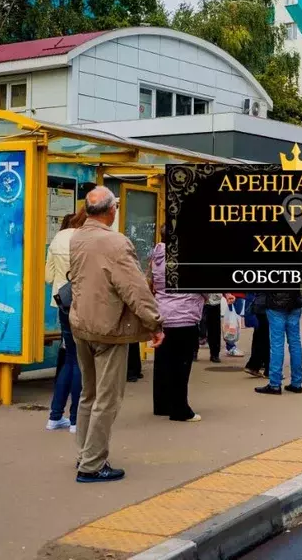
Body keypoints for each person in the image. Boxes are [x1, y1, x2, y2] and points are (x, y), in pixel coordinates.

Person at [69, 187, 163, 483]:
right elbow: (134, 289)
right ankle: (93, 465)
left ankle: (84, 453)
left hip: (80, 323)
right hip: (108, 328)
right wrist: (154, 323)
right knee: (107, 399)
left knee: (88, 394)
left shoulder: (78, 237)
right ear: (111, 211)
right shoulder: (115, 243)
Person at [149, 228, 207, 422]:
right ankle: (180, 409)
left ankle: (162, 404)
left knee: (164, 362)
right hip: (184, 316)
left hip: (163, 315)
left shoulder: (156, 256)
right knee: (182, 365)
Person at [44, 208, 87, 432]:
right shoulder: (84, 238)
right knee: (80, 361)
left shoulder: (58, 238)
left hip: (62, 303)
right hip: (83, 304)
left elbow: (48, 277)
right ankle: (75, 419)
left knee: (69, 358)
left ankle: (54, 416)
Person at [256, 291, 302, 395]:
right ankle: (297, 383)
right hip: (295, 303)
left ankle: (275, 384)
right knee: (295, 343)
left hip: (275, 303)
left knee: (277, 345)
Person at [244, 292, 269, 377]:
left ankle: (253, 365)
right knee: (267, 337)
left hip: (258, 303)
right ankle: (268, 369)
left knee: (259, 335)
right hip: (267, 304)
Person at [198, 293, 223, 363]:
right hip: (198, 300)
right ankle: (193, 352)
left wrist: (227, 294)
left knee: (215, 328)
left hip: (214, 300)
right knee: (196, 326)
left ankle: (215, 354)